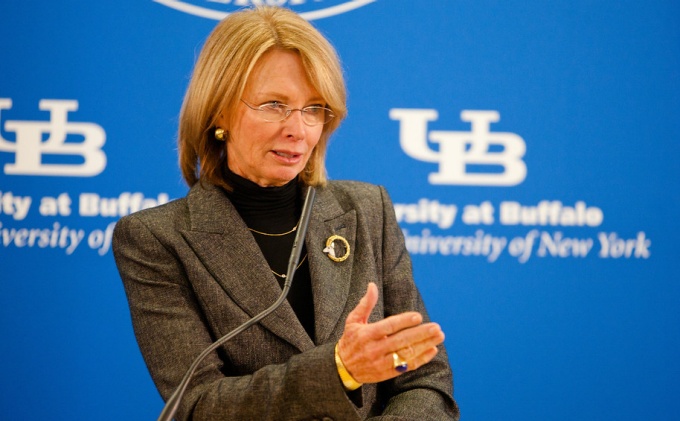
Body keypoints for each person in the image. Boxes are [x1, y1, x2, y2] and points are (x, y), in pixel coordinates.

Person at [113, 6, 459, 421]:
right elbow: (197, 406)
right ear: (219, 110)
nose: (298, 129)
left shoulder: (368, 210)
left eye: (314, 108)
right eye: (275, 104)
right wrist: (339, 370)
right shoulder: (155, 239)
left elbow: (425, 379)